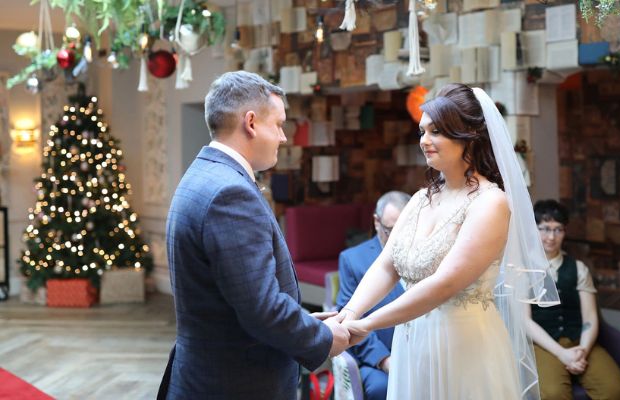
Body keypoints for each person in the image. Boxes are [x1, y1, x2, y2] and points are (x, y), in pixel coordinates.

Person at [337, 83, 560, 399]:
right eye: (422, 132)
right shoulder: (419, 200)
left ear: (469, 135)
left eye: (436, 131)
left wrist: (368, 324)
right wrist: (349, 313)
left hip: (463, 346)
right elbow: (387, 266)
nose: (424, 141)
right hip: (412, 343)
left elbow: (445, 283)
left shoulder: (491, 203)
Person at [158, 71, 350, 400]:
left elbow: (238, 296)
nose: (283, 137)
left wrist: (306, 322)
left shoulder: (202, 173)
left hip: (209, 373)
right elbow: (262, 309)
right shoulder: (230, 193)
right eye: (278, 124)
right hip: (234, 384)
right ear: (251, 123)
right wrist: (324, 338)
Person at [525, 199, 620, 400]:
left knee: (615, 390)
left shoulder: (579, 268)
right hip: (543, 345)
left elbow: (590, 317)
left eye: (558, 230)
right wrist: (561, 353)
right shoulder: (524, 270)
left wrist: (582, 350)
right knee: (553, 394)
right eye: (545, 229)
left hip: (579, 341)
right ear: (534, 230)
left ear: (564, 232)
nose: (551, 237)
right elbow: (525, 321)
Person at [336, 191, 410, 400]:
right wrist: (385, 360)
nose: (398, 237)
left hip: (419, 352)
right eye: (391, 230)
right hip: (378, 357)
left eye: (406, 229)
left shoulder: (422, 253)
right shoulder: (352, 259)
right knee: (381, 388)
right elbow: (349, 320)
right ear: (377, 222)